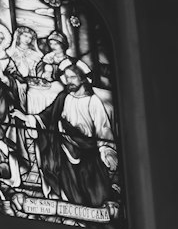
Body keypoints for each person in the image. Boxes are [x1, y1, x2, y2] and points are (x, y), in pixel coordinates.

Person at [34, 66, 118, 208]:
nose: (68, 81)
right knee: (71, 185)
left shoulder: (93, 101)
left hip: (88, 151)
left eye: (72, 77)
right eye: (66, 77)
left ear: (83, 78)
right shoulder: (64, 97)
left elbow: (103, 129)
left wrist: (106, 150)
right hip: (66, 149)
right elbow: (48, 114)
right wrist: (31, 118)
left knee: (94, 191)